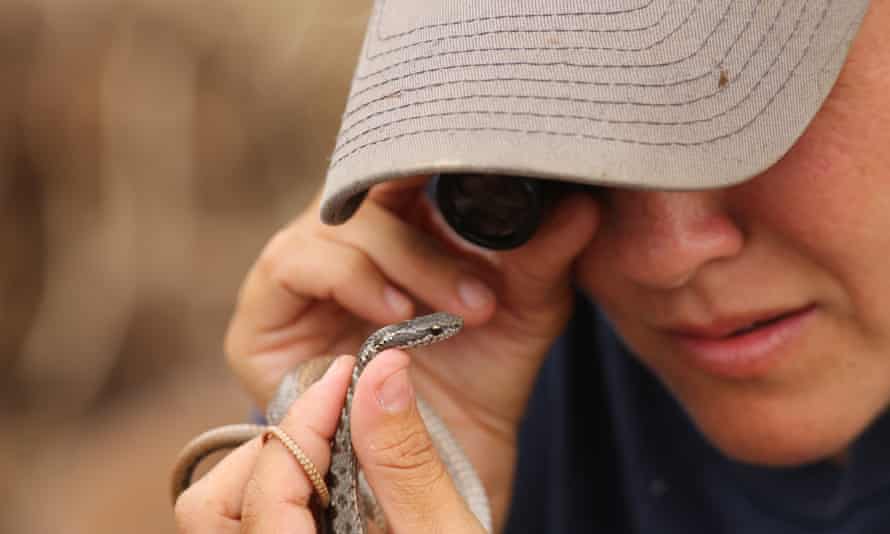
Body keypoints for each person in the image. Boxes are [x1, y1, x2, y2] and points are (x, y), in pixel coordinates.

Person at [173, 1, 890, 532]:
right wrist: (374, 479)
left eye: (769, 96)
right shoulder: (472, 345)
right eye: (567, 118)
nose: (664, 256)